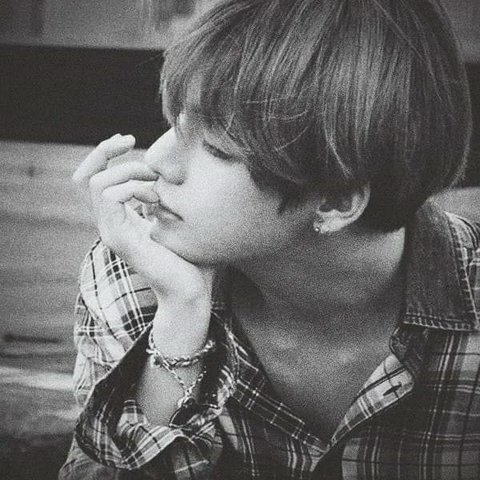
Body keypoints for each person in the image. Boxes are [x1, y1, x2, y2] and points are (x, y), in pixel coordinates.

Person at [59, 0, 480, 478]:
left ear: (335, 201)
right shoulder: (138, 272)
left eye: (217, 148)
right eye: (176, 123)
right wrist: (180, 316)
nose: (157, 161)